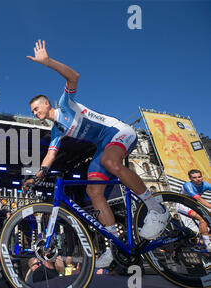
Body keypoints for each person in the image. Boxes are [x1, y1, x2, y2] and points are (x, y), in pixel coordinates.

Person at [23, 39, 170, 269]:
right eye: (32, 111)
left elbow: (74, 77)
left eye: (36, 108)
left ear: (46, 104)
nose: (34, 113)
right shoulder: (56, 131)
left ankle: (156, 209)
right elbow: (50, 156)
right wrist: (38, 175)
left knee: (109, 161)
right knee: (93, 191)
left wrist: (47, 61)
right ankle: (114, 245)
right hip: (103, 145)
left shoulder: (65, 104)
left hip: (119, 132)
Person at [177, 169, 211, 251]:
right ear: (190, 179)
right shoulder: (187, 185)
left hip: (194, 205)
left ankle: (206, 235)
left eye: (199, 177)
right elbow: (198, 199)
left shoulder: (205, 184)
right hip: (183, 205)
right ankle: (207, 244)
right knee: (202, 219)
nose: (198, 179)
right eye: (194, 178)